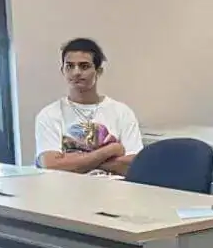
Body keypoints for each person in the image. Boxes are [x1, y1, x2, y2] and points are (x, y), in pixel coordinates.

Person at [33, 38, 142, 175]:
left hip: (115, 191)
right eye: (70, 66)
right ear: (63, 71)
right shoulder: (50, 114)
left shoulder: (121, 112)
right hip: (66, 192)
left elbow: (132, 165)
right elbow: (51, 165)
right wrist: (111, 150)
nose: (76, 72)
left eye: (84, 66)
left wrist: (75, 162)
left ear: (98, 71)